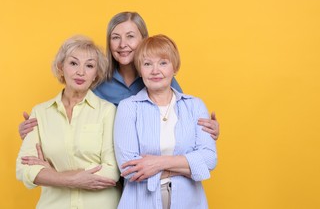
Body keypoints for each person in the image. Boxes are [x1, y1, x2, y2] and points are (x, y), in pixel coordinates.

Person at [19, 12, 220, 140]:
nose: (123, 44)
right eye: (115, 38)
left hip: (148, 171)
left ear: (144, 39)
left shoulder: (160, 78)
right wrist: (37, 131)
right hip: (107, 175)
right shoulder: (95, 80)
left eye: (130, 36)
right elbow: (71, 119)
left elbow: (181, 120)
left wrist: (208, 130)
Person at [16, 36, 121, 208]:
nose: (81, 72)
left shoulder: (108, 111)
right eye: (73, 63)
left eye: (89, 66)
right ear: (61, 67)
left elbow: (111, 171)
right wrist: (73, 179)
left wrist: (51, 174)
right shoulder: (40, 112)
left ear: (96, 74)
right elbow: (24, 169)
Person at [114, 35, 217, 209]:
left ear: (174, 68)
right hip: (140, 203)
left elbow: (208, 160)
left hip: (189, 202)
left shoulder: (194, 106)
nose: (155, 71)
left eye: (163, 63)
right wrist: (190, 167)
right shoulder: (128, 107)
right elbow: (129, 170)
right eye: (147, 64)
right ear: (140, 69)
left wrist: (157, 163)